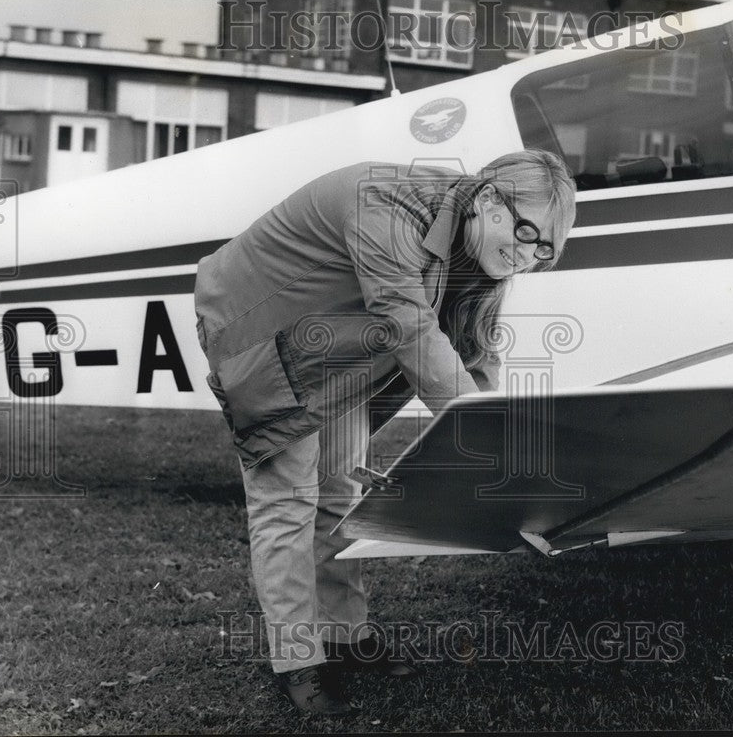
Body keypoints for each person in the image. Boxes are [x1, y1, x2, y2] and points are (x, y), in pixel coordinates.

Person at [194, 149, 576, 715]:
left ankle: (345, 635)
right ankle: (297, 658)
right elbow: (407, 323)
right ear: (490, 198)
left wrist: (508, 445)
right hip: (257, 325)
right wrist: (488, 442)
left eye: (542, 249)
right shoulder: (387, 203)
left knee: (340, 491)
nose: (525, 256)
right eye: (525, 233)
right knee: (287, 501)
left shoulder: (478, 237)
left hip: (336, 342)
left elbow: (475, 345)